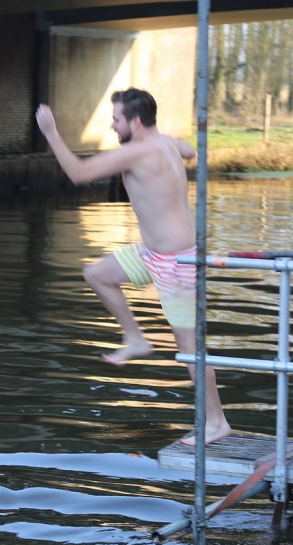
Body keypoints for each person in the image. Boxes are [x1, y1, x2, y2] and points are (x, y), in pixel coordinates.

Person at [35, 87, 231, 444]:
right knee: (98, 274)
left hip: (176, 262)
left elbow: (78, 174)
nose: (112, 126)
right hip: (153, 253)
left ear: (136, 122)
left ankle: (217, 422)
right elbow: (190, 150)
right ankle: (135, 337)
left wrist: (51, 132)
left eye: (116, 119)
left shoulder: (137, 152)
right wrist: (175, 145)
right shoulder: (165, 143)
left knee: (189, 349)